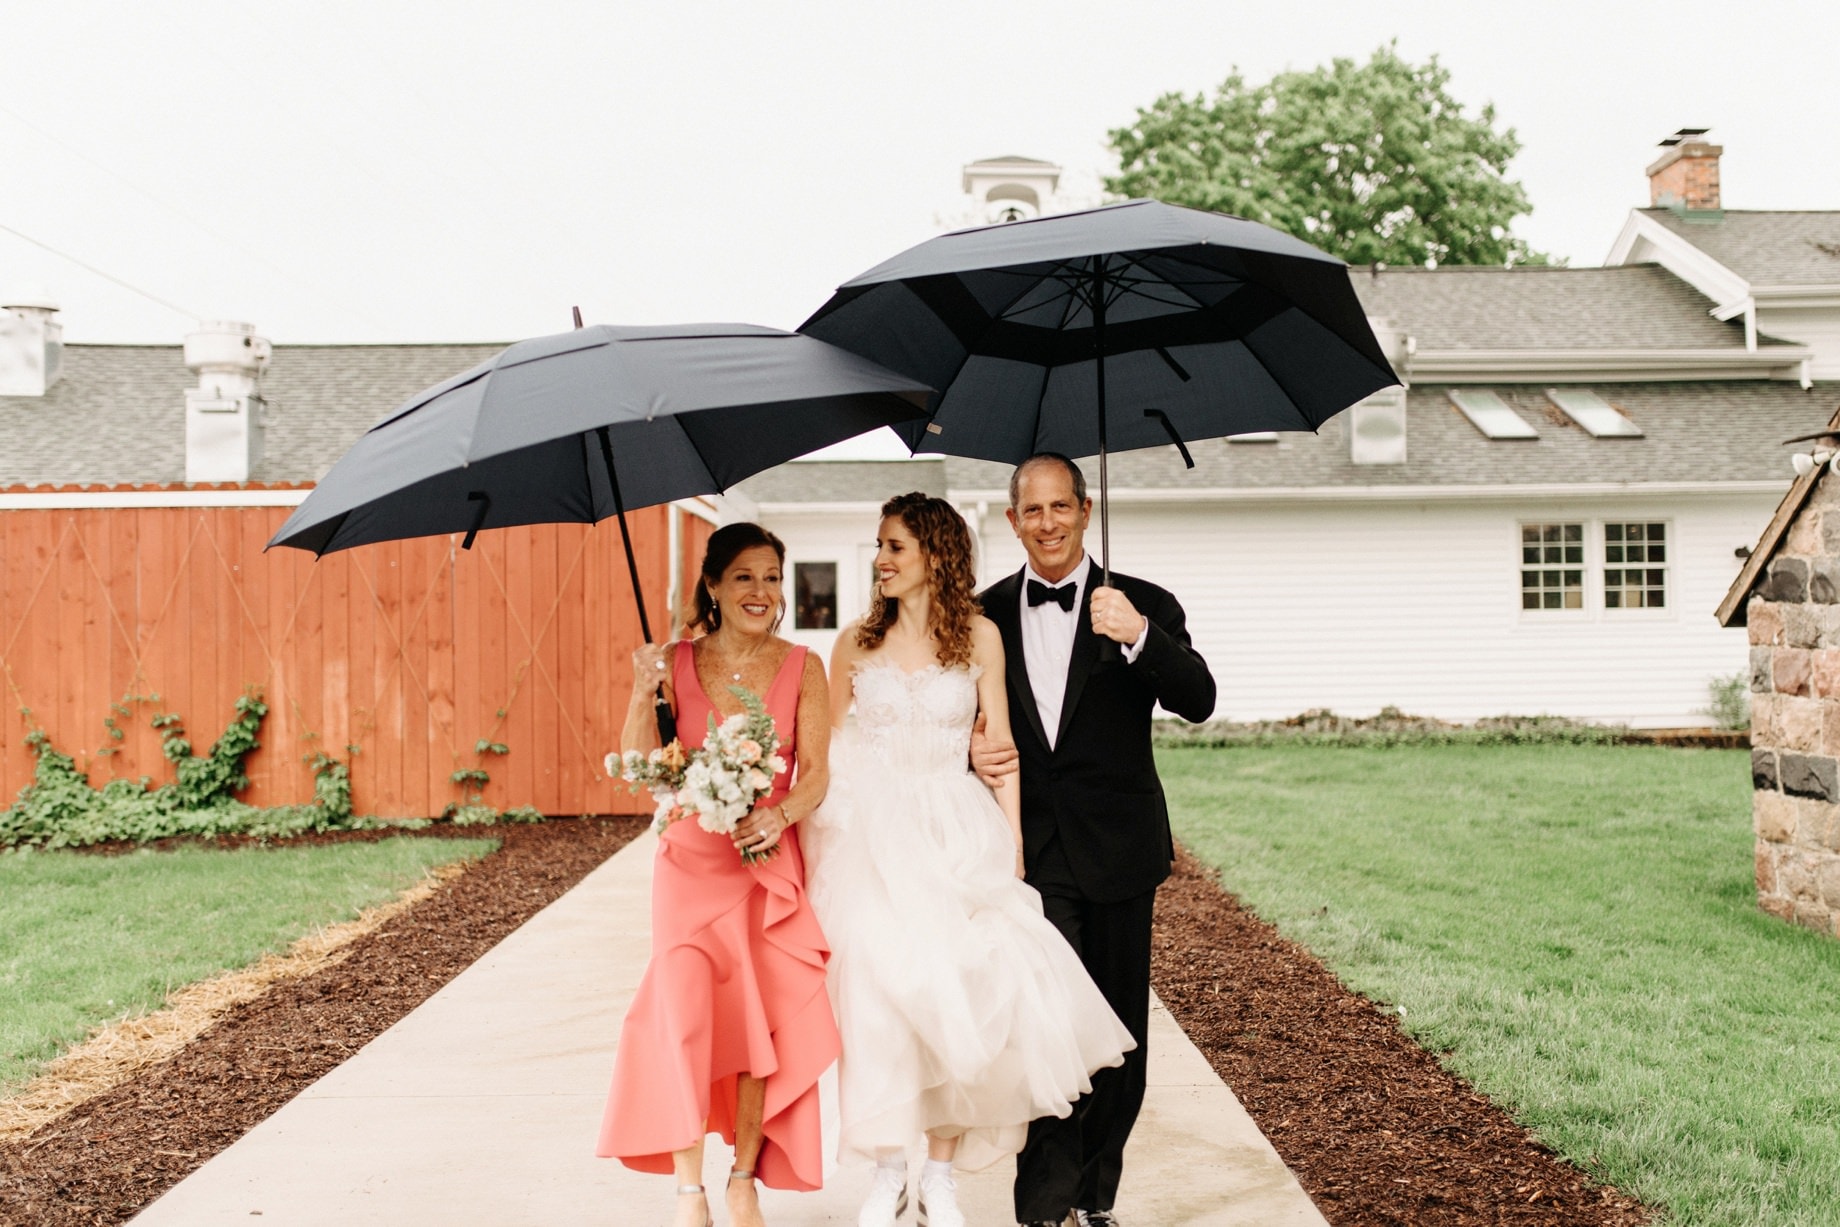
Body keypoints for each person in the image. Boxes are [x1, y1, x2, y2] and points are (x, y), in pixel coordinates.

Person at [802, 492, 1134, 1227]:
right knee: (881, 999)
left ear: (935, 554)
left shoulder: (980, 637)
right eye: (880, 546)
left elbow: (1002, 752)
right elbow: (825, 749)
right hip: (872, 840)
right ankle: (891, 1169)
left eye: (895, 546)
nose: (881, 560)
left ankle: (941, 1176)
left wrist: (1011, 847)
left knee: (961, 996)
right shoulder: (854, 642)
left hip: (958, 832)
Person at [971, 454, 1216, 1227]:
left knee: (1120, 1034)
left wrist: (1140, 636)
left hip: (1119, 848)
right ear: (1012, 521)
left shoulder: (1144, 602)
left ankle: (1095, 1192)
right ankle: (1043, 1206)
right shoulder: (983, 615)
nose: (1046, 523)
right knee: (1047, 1029)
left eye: (1059, 507)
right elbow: (957, 723)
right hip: (1029, 852)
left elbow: (1200, 698)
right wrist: (970, 753)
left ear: (1084, 508)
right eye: (1030, 510)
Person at [597, 522, 840, 1227]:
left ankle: (742, 1175)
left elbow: (817, 772)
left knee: (756, 1024)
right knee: (683, 1017)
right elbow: (640, 764)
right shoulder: (672, 661)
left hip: (763, 865)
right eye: (744, 577)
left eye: (771, 577)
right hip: (688, 864)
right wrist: (644, 691)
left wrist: (781, 814)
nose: (761, 592)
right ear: (713, 585)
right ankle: (687, 1188)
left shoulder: (803, 665)